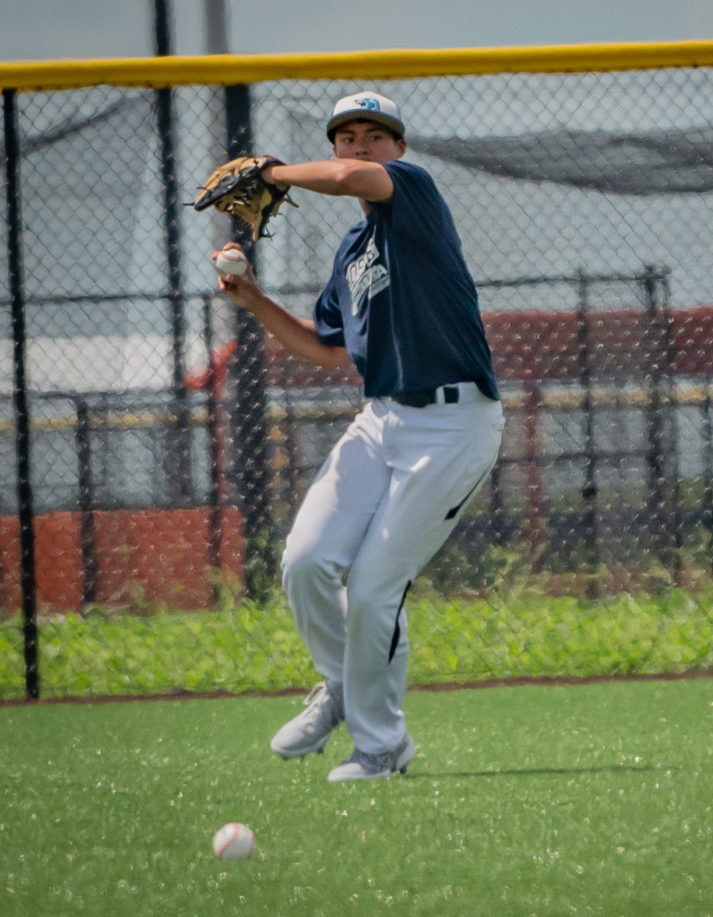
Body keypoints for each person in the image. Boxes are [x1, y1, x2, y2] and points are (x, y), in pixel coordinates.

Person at [213, 91, 504, 782]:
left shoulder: (413, 192)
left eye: (377, 134)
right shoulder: (352, 249)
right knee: (306, 562)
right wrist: (253, 300)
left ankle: (381, 747)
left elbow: (351, 182)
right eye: (348, 135)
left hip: (454, 422)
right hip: (382, 420)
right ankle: (342, 686)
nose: (361, 145)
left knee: (375, 585)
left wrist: (273, 174)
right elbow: (324, 350)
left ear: (397, 149)